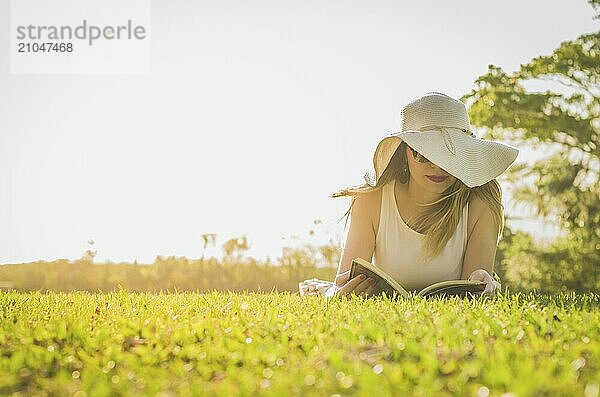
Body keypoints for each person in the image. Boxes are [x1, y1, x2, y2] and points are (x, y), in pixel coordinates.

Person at [324, 92, 519, 299]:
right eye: (423, 154)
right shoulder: (371, 200)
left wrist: (483, 283)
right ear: (405, 153)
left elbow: (471, 296)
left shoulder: (481, 202)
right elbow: (342, 286)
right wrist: (336, 294)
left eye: (449, 156)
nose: (436, 165)